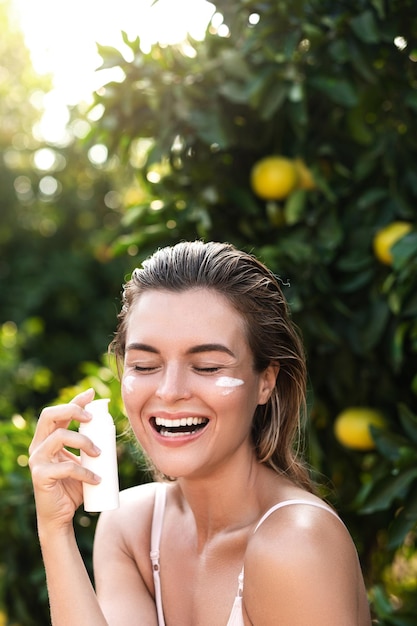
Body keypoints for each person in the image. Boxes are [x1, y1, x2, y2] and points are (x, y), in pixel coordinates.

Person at [29, 240, 372, 626]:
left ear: (266, 382)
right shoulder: (132, 526)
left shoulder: (296, 543)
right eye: (144, 365)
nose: (170, 392)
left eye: (208, 366)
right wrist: (55, 529)